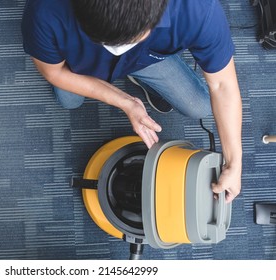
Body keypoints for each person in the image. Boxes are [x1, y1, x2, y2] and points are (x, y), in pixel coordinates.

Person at [21, 0, 242, 203]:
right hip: (80, 65)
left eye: (128, 41)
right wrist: (124, 101)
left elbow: (222, 86)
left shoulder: (196, 8)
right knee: (69, 101)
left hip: (146, 59)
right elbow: (55, 73)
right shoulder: (45, 10)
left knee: (200, 105)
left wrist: (234, 162)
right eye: (109, 43)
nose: (117, 49)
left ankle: (138, 72)